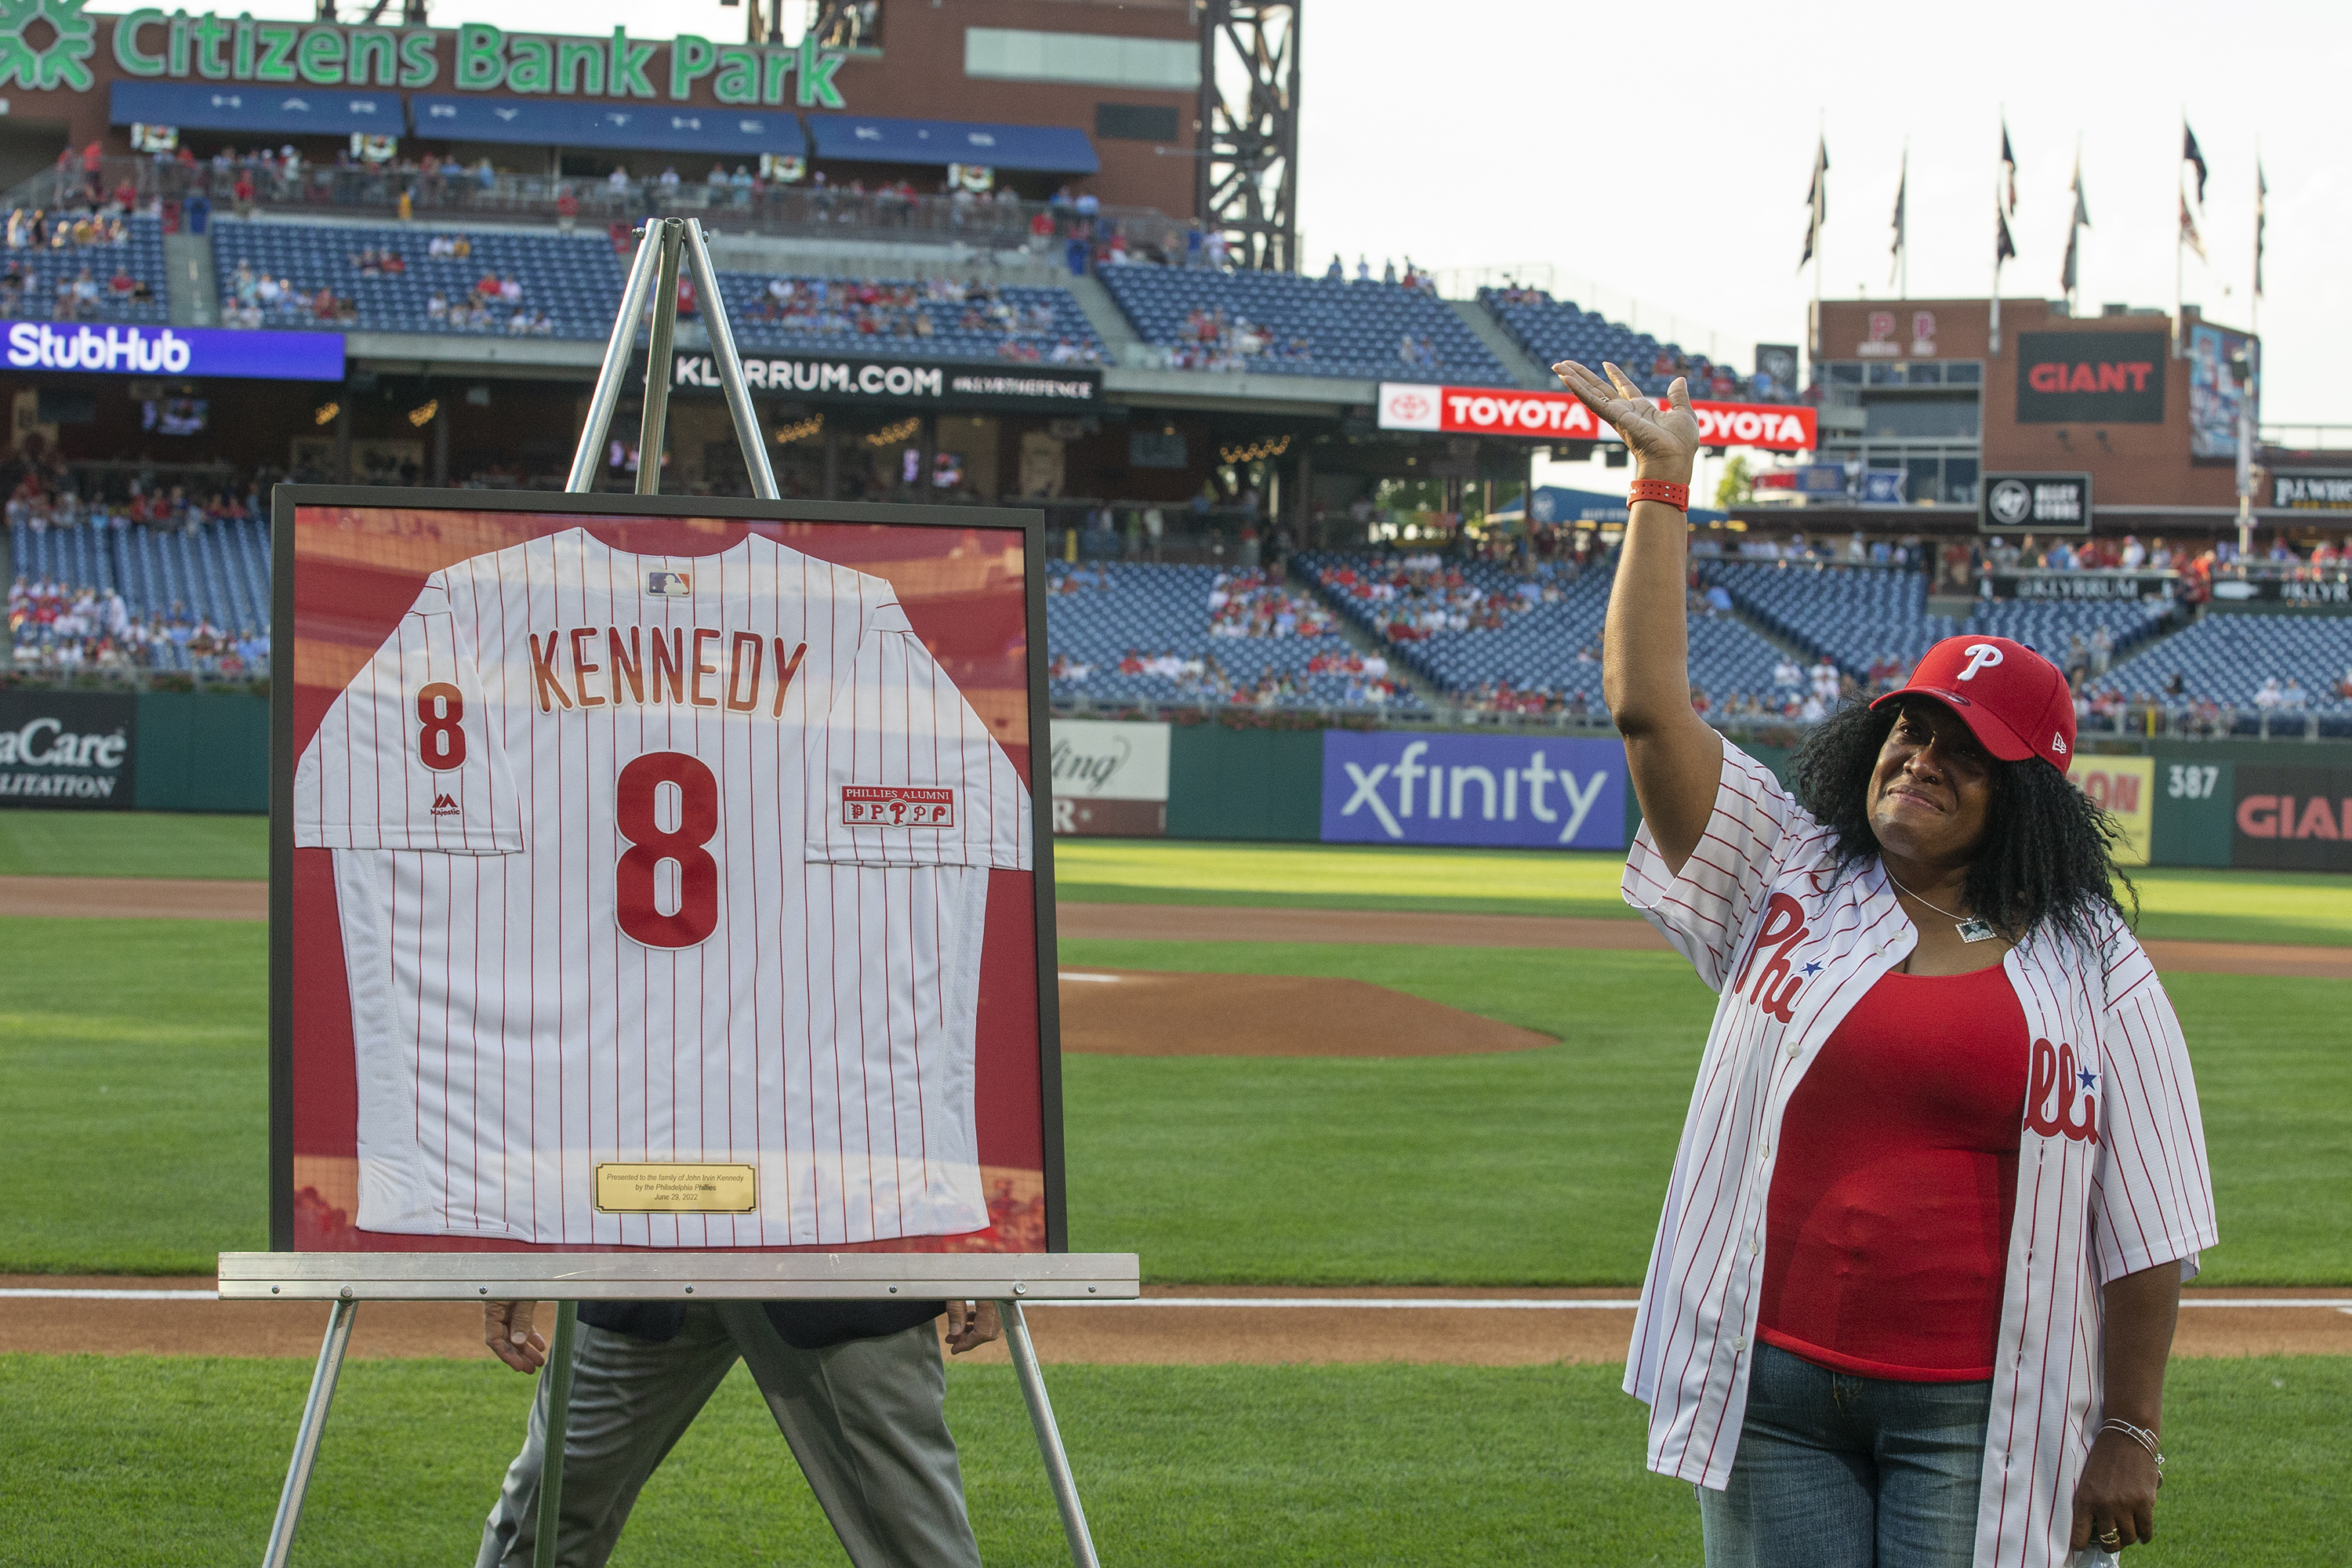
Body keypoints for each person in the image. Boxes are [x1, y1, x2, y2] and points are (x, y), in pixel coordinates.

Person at [1552, 356, 2217, 1568]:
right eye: (1908, 725)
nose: (1918, 753)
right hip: (1773, 1392)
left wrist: (2131, 1427)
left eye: (1963, 747)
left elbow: (2153, 1222)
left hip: (1984, 1413)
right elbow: (1649, 711)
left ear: (2026, 794)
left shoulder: (2099, 968)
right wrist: (1661, 485)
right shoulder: (1791, 870)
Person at [475, 1290, 1002, 1566]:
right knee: (545, 1517)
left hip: (836, 1259)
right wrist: (521, 1239)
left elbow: (932, 1084)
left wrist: (974, 1237)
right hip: (645, 1247)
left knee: (915, 1534)